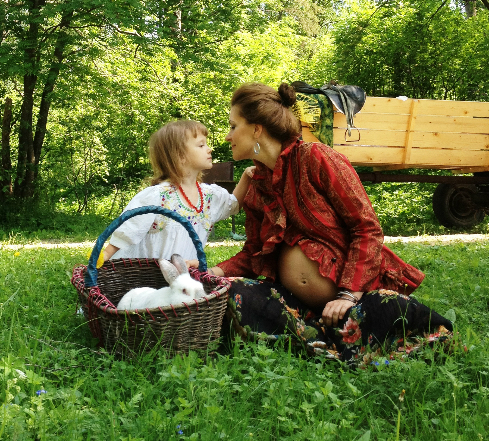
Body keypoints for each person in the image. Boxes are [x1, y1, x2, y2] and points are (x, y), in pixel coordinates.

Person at [207, 83, 454, 365]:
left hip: (355, 298)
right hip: (296, 305)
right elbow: (253, 255)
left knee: (391, 309)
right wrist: (211, 272)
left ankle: (322, 338)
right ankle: (320, 337)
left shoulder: (316, 158)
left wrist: (348, 295)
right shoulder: (257, 188)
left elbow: (366, 229)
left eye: (233, 126)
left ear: (256, 129)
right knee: (229, 291)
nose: (227, 136)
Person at [103, 120, 253, 263]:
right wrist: (102, 257)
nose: (209, 149)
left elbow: (234, 205)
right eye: (201, 145)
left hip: (182, 275)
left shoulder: (209, 196)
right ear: (180, 156)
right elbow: (128, 230)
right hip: (146, 275)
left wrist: (246, 176)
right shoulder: (158, 196)